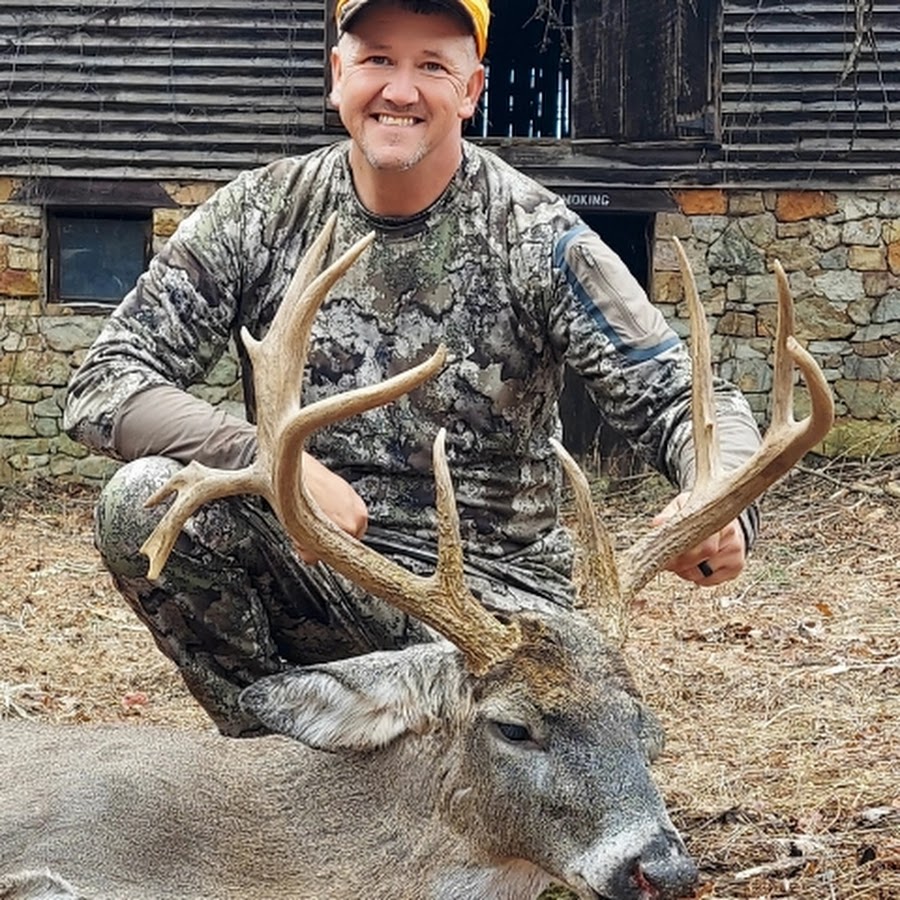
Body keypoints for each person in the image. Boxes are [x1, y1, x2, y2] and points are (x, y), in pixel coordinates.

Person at [64, 0, 761, 736]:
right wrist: (273, 463)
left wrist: (721, 498)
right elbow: (107, 380)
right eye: (376, 60)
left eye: (432, 65)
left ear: (471, 89)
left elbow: (684, 400)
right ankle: (278, 769)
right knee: (141, 500)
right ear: (337, 76)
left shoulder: (540, 238)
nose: (400, 90)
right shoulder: (260, 215)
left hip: (496, 624)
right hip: (325, 574)